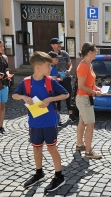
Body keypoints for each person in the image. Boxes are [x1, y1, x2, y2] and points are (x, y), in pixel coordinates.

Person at [12, 51, 69, 192]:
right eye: (48, 65)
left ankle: (59, 176)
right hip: (34, 122)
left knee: (51, 147)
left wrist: (50, 99)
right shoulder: (26, 82)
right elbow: (14, 95)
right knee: (36, 148)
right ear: (38, 66)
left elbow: (66, 94)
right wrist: (23, 97)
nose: (51, 68)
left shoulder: (50, 81)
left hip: (49, 121)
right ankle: (39, 172)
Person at [75, 42, 102, 159]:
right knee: (90, 124)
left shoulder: (88, 64)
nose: (97, 53)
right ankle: (88, 152)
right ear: (90, 52)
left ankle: (80, 144)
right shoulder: (83, 66)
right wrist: (95, 92)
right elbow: (81, 86)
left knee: (82, 121)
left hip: (86, 98)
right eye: (96, 51)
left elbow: (89, 84)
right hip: (84, 98)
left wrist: (96, 89)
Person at [49, 38, 76, 122]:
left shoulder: (64, 54)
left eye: (60, 43)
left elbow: (70, 64)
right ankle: (58, 116)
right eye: (57, 44)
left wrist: (69, 70)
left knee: (69, 95)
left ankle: (71, 114)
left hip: (66, 78)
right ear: (52, 45)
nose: (60, 45)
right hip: (56, 80)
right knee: (57, 98)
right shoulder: (49, 55)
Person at [49, 51, 63, 126]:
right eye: (56, 59)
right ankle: (57, 120)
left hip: (45, 91)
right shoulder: (53, 68)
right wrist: (60, 79)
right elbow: (53, 79)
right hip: (52, 91)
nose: (57, 60)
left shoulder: (45, 66)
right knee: (54, 106)